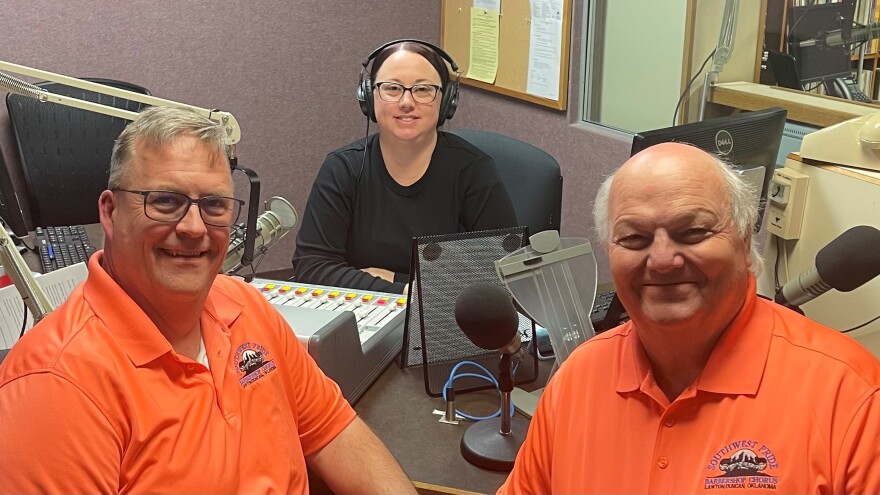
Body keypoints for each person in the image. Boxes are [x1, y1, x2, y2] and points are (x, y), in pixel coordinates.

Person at [0, 107, 416, 494]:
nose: (194, 228)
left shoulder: (245, 306)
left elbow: (332, 431)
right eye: (165, 201)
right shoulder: (54, 387)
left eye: (214, 204)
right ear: (110, 212)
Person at [499, 142, 880, 493]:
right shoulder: (577, 380)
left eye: (693, 232)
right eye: (633, 238)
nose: (662, 260)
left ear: (745, 242)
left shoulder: (852, 397)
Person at [293, 39, 517, 294]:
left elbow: (502, 272)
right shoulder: (343, 168)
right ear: (369, 97)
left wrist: (398, 283)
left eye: (422, 89)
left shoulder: (473, 171)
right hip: (357, 313)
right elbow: (312, 266)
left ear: (447, 101)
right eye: (392, 88)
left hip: (443, 315)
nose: (407, 102)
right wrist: (403, 290)